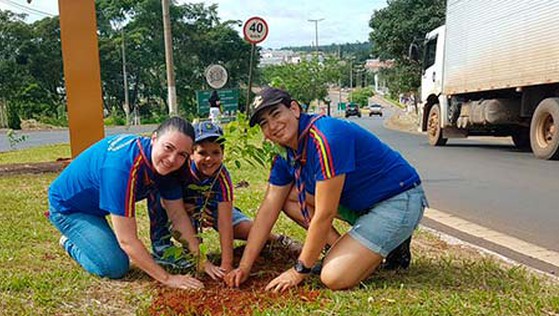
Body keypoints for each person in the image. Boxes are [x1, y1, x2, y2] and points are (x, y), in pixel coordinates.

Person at [224, 87, 428, 292]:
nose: (273, 126)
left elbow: (325, 213)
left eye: (276, 114)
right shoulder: (286, 154)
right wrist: (244, 266)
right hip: (363, 204)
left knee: (333, 277)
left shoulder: (325, 137)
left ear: (294, 109)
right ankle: (347, 249)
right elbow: (268, 209)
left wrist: (299, 269)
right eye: (264, 123)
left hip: (398, 199)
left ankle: (375, 249)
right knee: (288, 196)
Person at [47, 117, 205, 290]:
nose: (172, 159)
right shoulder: (122, 167)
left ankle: (92, 235)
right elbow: (127, 240)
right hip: (69, 208)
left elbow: (177, 215)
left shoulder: (169, 167)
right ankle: (71, 243)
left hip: (96, 206)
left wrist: (200, 261)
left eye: (182, 154)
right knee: (115, 266)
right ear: (154, 139)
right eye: (168, 147)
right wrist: (167, 279)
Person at [148, 121, 292, 280]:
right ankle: (165, 249)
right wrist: (191, 209)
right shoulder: (180, 168)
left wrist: (227, 264)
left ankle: (280, 240)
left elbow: (225, 222)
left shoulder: (221, 177)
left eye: (216, 152)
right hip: (182, 210)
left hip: (214, 208)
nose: (209, 159)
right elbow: (167, 204)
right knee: (180, 226)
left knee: (245, 229)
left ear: (223, 153)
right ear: (191, 153)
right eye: (202, 153)